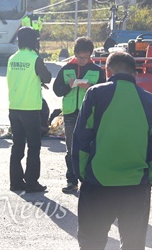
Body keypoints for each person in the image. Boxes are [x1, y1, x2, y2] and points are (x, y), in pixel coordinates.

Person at [72, 51, 152, 249]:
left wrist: (83, 175)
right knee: (133, 244)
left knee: (92, 243)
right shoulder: (150, 101)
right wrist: (150, 178)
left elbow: (81, 138)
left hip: (98, 184)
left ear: (108, 71)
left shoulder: (95, 94)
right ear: (135, 74)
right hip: (136, 186)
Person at [52, 36, 105, 194]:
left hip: (89, 114)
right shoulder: (66, 69)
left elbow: (104, 93)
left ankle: (89, 181)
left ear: (90, 55)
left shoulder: (96, 70)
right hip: (70, 114)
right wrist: (69, 86)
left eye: (85, 57)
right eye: (79, 57)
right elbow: (57, 90)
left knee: (90, 148)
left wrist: (90, 87)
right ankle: (71, 181)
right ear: (74, 53)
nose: (82, 60)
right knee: (71, 149)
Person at [7, 26, 51, 193]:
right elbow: (47, 77)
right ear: (33, 40)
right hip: (30, 108)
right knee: (33, 146)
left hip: (14, 107)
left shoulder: (12, 58)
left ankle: (16, 182)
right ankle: (32, 182)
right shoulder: (35, 59)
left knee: (17, 145)